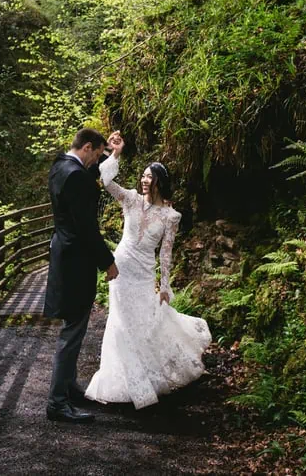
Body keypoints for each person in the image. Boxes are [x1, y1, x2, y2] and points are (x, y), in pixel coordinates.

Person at [85, 131, 211, 409]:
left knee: (142, 324)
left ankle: (149, 377)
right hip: (120, 270)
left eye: (148, 177)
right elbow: (106, 181)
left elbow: (165, 254)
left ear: (159, 182)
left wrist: (165, 285)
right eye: (142, 175)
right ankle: (124, 383)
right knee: (119, 324)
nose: (143, 180)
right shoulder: (129, 199)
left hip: (143, 275)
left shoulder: (170, 216)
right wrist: (115, 153)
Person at [44, 128, 120, 423]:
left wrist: (113, 153)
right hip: (76, 261)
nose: (96, 161)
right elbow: (87, 227)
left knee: (72, 326)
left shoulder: (60, 166)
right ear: (87, 147)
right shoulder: (76, 176)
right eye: (97, 154)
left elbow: (87, 179)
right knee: (72, 331)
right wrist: (107, 262)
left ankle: (68, 387)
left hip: (64, 254)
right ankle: (57, 403)